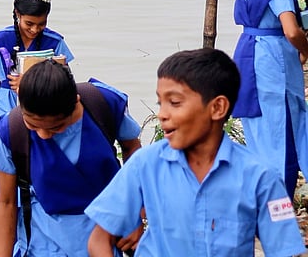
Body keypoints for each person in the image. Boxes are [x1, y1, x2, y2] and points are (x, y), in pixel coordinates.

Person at [87, 48, 306, 257]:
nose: (162, 114)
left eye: (174, 103)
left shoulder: (260, 177)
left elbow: (282, 248)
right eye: (160, 103)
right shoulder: (144, 164)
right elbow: (99, 239)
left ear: (218, 108)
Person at [0, 59, 142, 256]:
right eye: (33, 125)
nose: (43, 135)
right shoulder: (12, 130)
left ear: (76, 102)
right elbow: (6, 202)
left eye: (56, 127)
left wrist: (134, 213)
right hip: (44, 242)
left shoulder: (103, 104)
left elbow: (132, 149)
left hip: (106, 233)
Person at [231, 0, 308, 198]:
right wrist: (305, 49)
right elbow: (290, 30)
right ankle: (278, 205)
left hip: (247, 54)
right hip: (272, 61)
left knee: (259, 131)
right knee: (282, 134)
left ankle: (258, 197)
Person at [0, 0, 75, 147]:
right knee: (4, 154)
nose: (35, 30)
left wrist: (31, 83)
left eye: (41, 24)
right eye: (29, 23)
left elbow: (68, 82)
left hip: (43, 108)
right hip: (4, 107)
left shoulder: (55, 42)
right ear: (17, 14)